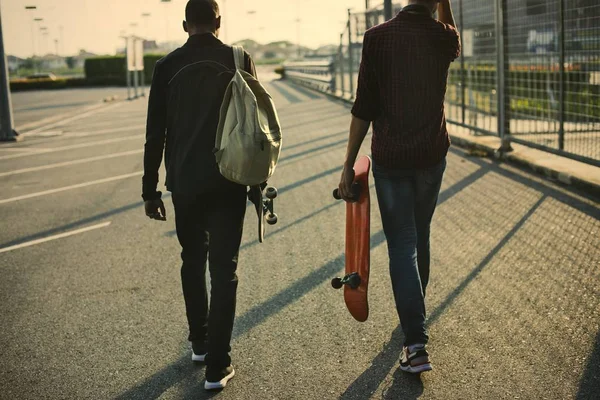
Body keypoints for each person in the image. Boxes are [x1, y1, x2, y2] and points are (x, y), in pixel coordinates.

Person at [338, 0, 460, 374]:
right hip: (430, 156)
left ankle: (416, 342)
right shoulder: (442, 36)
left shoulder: (377, 38)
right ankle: (414, 326)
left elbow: (364, 107)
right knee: (419, 235)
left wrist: (348, 164)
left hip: (391, 159)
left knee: (403, 244)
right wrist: (445, 5)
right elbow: (453, 38)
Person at [142, 0, 257, 390]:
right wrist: (257, 185)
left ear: (185, 24)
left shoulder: (167, 66)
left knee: (192, 259)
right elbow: (255, 129)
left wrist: (149, 189)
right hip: (230, 179)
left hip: (185, 183)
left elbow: (154, 132)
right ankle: (218, 367)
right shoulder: (239, 59)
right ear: (219, 23)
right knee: (224, 270)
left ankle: (200, 343)